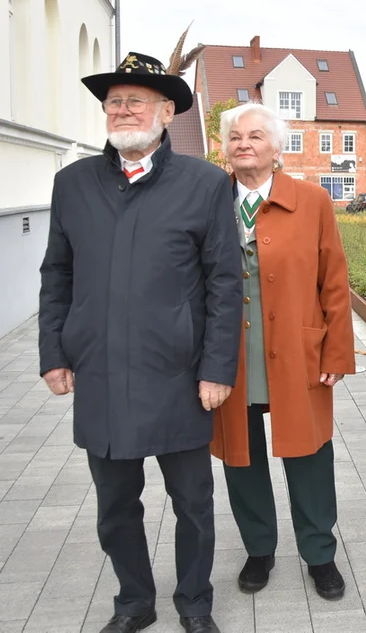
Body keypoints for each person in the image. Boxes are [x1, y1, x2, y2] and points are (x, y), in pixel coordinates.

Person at [39, 52, 242, 633]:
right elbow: (58, 273)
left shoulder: (204, 184)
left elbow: (225, 285)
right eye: (114, 101)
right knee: (114, 509)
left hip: (179, 376)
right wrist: (53, 352)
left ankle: (195, 605)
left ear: (167, 110)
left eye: (135, 100)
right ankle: (133, 603)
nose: (122, 110)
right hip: (100, 375)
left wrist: (217, 368)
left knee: (193, 506)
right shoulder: (73, 184)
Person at [208, 102, 356, 602]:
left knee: (309, 453)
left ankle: (320, 554)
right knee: (240, 455)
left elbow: (333, 280)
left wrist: (338, 351)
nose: (243, 144)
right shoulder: (209, 200)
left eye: (255, 136)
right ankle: (259, 549)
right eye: (234, 138)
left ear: (276, 148)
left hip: (299, 349)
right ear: (224, 149)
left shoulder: (312, 200)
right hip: (230, 354)